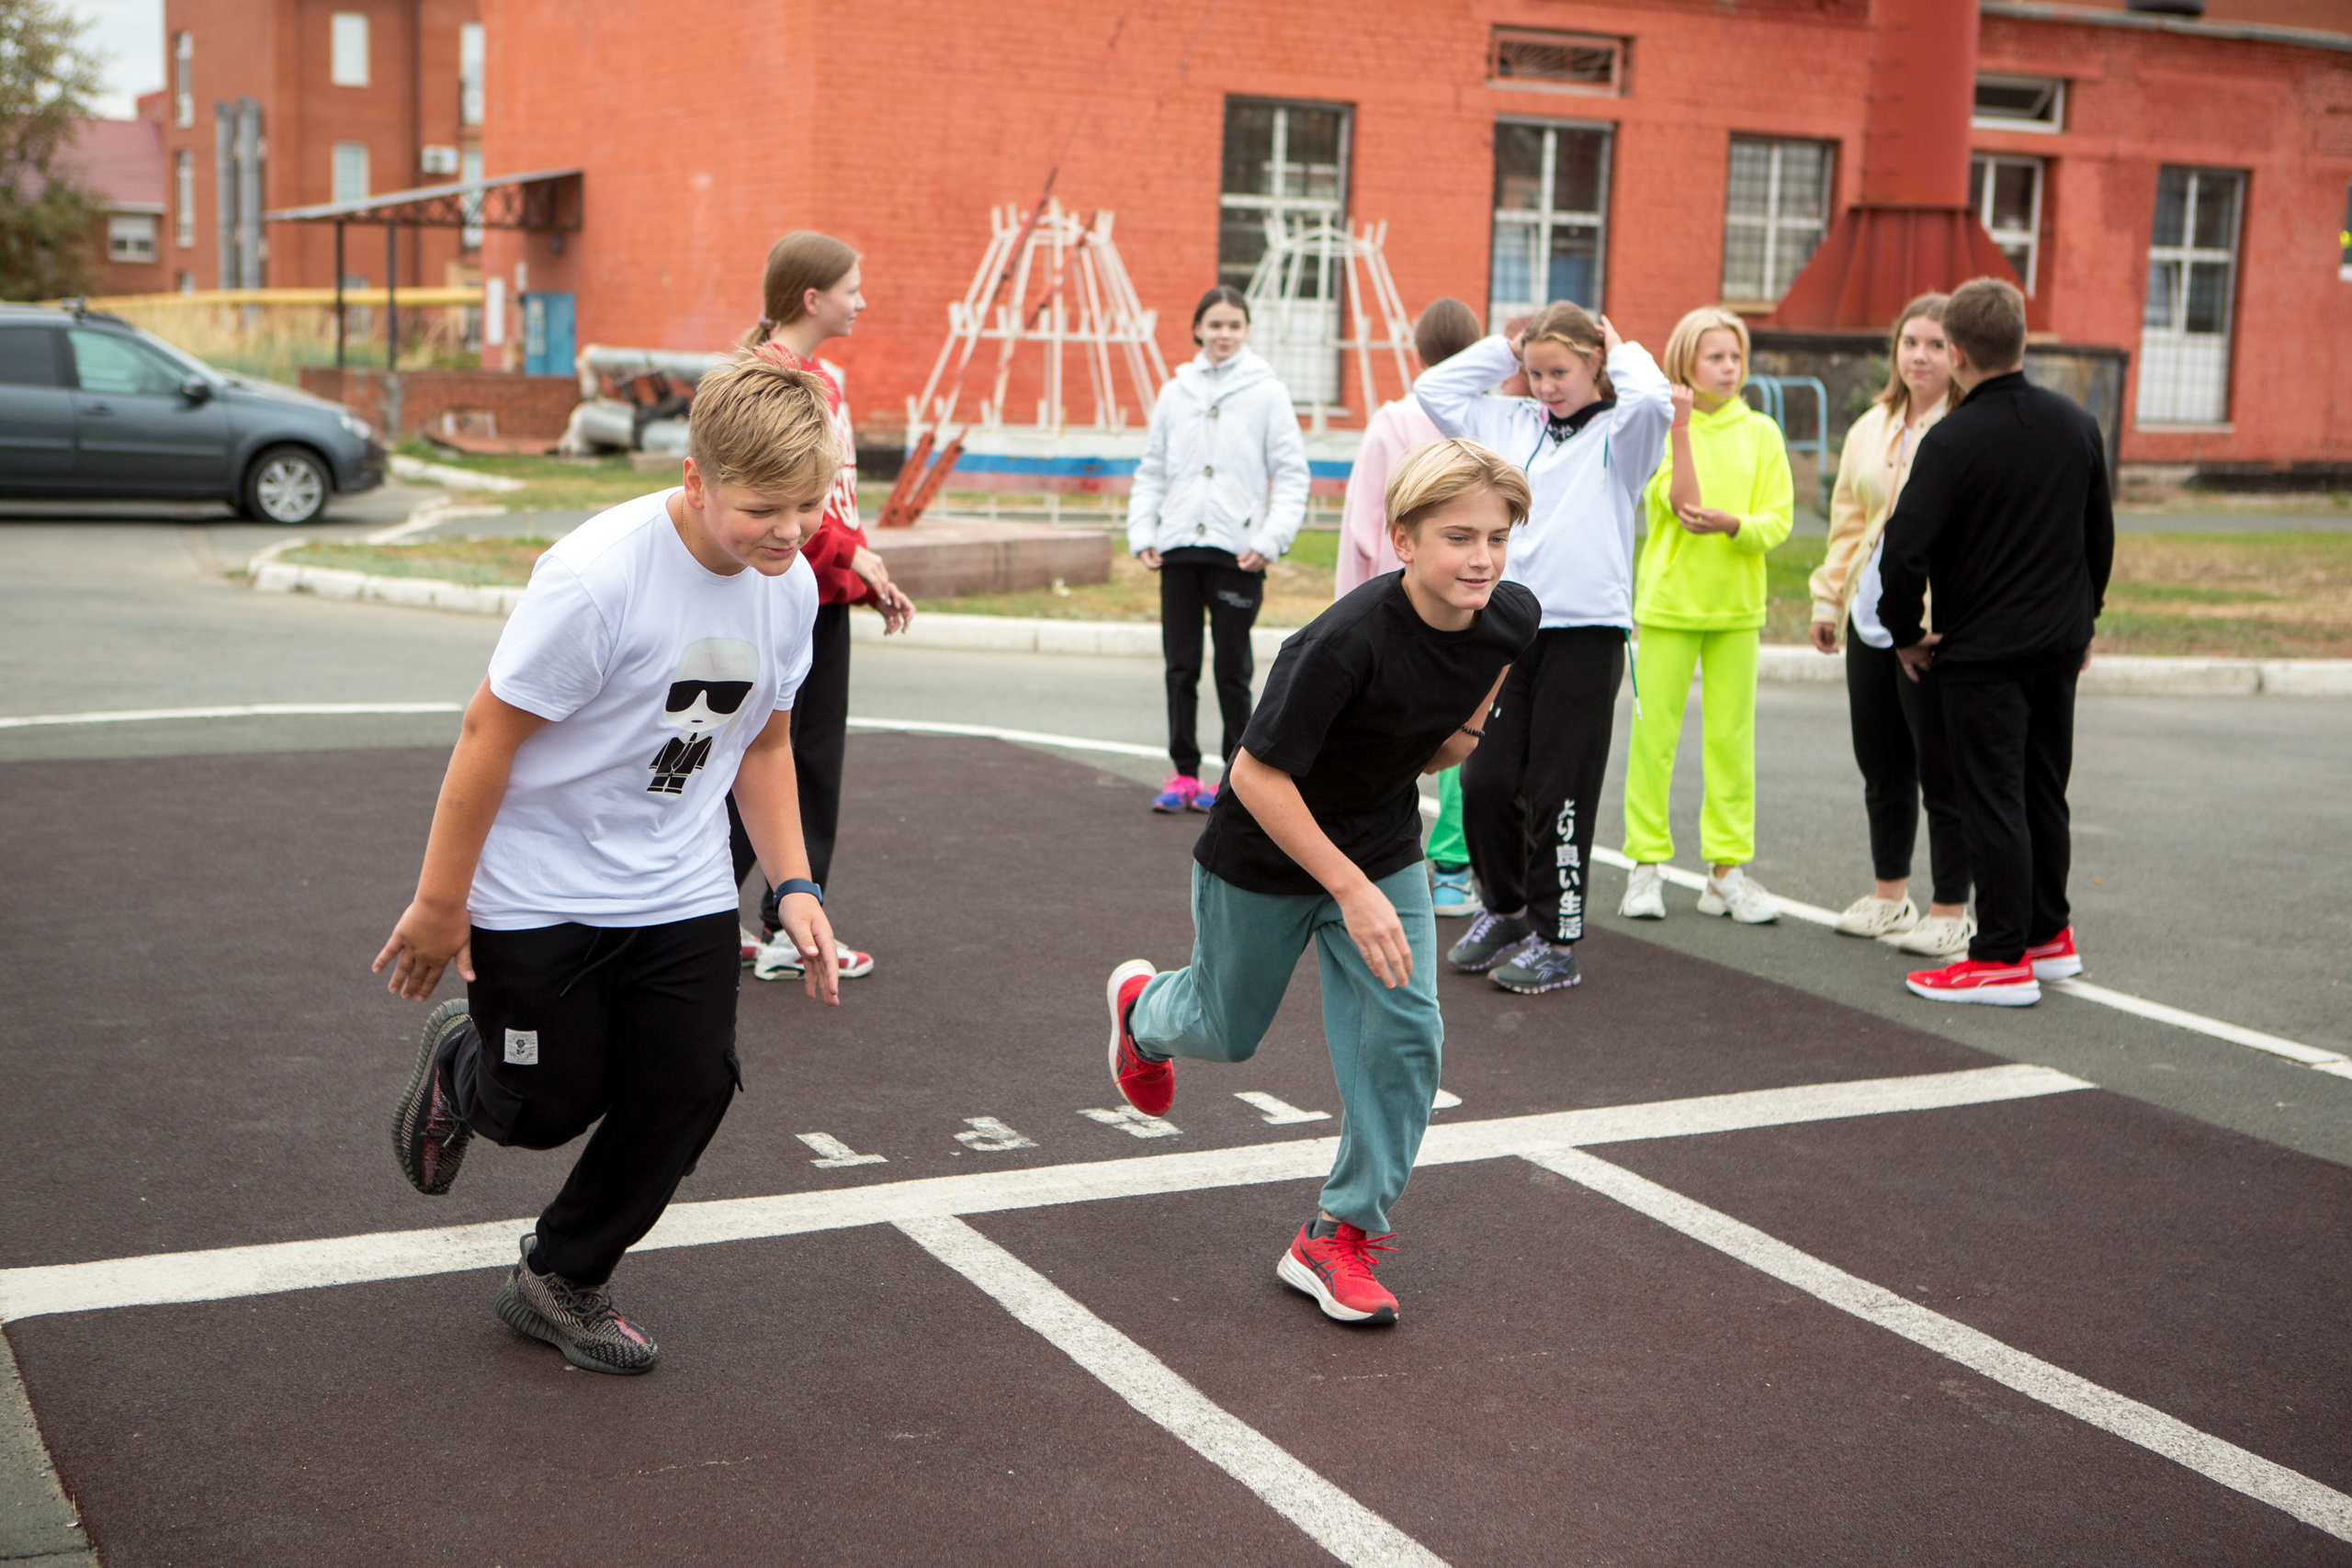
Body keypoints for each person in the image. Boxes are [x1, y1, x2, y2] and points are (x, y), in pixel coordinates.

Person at [375, 354, 844, 1375]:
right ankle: (465, 1064)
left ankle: (560, 1275)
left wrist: (795, 883)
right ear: (694, 479)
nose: (788, 530)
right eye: (764, 507)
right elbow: (485, 734)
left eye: (806, 506)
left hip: (677, 883)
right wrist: (440, 904)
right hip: (540, 886)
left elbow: (762, 745)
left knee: (692, 1082)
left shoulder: (790, 586)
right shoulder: (596, 579)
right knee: (542, 1110)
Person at [1103, 439, 1538, 1325]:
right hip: (1267, 851)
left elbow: (1458, 735)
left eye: (1498, 536)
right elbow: (1256, 778)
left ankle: (1336, 1232)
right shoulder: (1341, 643)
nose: (1483, 558)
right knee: (1227, 1033)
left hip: (1379, 846)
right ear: (1403, 539)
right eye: (1459, 536)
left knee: (1408, 1030)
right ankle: (1143, 1013)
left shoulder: (1511, 617)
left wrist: (1457, 754)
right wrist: (1347, 886)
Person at [1415, 302, 1674, 995]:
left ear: (1594, 362)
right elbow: (1434, 391)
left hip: (1586, 636)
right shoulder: (1508, 424)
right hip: (1508, 631)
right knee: (1485, 780)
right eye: (1535, 372)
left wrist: (1620, 345)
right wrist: (1506, 350)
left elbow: (1652, 395)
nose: (1545, 384)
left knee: (1560, 791)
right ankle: (1505, 910)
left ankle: (1557, 939)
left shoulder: (1626, 436)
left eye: (1559, 370)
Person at [1877, 276, 2112, 1006]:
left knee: (1992, 797)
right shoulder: (2077, 424)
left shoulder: (1951, 441)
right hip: (2056, 648)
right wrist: (2085, 619)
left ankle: (1999, 956)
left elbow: (1902, 551)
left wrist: (1906, 634)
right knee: (2045, 789)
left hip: (1982, 651)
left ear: (1954, 352)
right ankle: (2048, 936)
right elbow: (2096, 537)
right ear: (2021, 342)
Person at [723, 232, 913, 987]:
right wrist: (847, 557)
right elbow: (782, 498)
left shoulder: (822, 376)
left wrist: (861, 567)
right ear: (812, 297)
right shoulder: (774, 377)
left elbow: (831, 500)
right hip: (780, 590)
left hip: (821, 589)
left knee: (774, 755)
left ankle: (715, 911)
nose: (862, 301)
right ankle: (783, 926)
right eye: (852, 288)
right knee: (796, 760)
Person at [1616, 308, 1794, 926]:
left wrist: (1735, 525)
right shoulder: (1664, 430)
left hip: (1737, 611)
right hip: (1667, 607)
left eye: (1735, 357)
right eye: (1714, 357)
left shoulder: (1764, 434)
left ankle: (1725, 873)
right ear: (1686, 365)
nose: (1728, 368)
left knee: (1730, 744)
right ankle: (1645, 868)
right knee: (1653, 742)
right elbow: (1682, 504)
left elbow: (1777, 520)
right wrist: (1683, 425)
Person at [1809, 295, 1973, 956]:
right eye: (1910, 343)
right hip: (1869, 617)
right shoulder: (1872, 425)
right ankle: (1889, 895)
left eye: (1936, 344)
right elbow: (1849, 519)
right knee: (1881, 764)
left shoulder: (1964, 427)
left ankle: (1951, 907)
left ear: (1957, 354)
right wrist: (1829, 601)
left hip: (1931, 625)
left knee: (1943, 770)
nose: (1921, 356)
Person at [1127, 286, 1310, 814]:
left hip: (1237, 553)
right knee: (1179, 666)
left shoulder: (1267, 392)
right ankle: (1183, 772)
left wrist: (1268, 541)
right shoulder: (1174, 392)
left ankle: (1236, 776)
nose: (1224, 334)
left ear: (1246, 330)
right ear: (1198, 330)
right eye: (1215, 324)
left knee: (1233, 669)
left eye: (1234, 325)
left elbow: (1292, 474)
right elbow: (1153, 469)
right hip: (1180, 547)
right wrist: (1145, 532)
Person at [1334, 297, 1487, 917]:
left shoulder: (1394, 422)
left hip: (1396, 605)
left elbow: (1362, 527)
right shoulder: (1491, 421)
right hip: (1471, 601)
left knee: (1389, 728)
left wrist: (1345, 612)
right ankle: (1453, 867)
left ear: (1418, 353)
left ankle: (1375, 857)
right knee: (1462, 730)